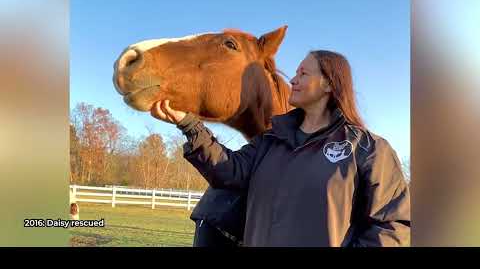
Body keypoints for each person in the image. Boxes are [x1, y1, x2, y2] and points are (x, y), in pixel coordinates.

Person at [151, 50, 411, 247]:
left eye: (303, 74)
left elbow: (393, 225)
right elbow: (226, 171)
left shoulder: (367, 149)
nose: (294, 80)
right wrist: (188, 124)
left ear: (329, 84)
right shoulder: (270, 140)